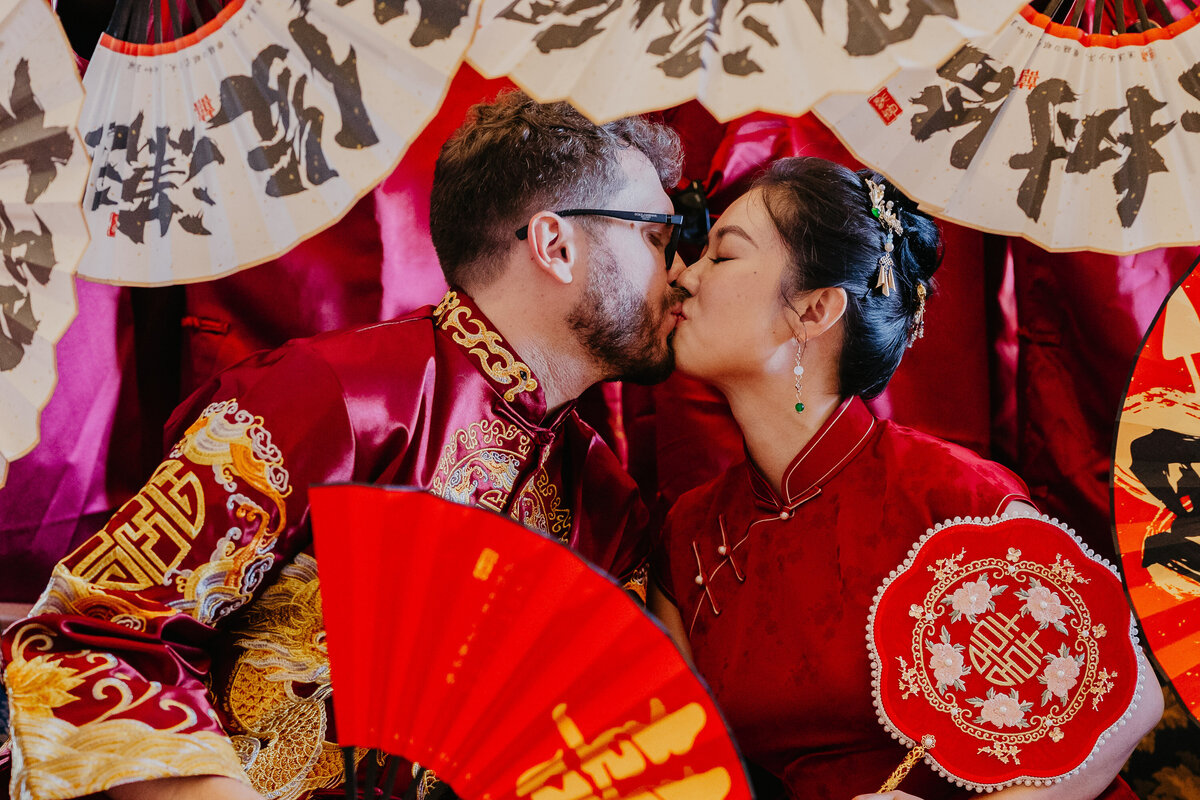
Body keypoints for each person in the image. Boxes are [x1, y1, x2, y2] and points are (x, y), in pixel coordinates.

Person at [0, 92, 686, 800]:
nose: (682, 273)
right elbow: (97, 633)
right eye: (658, 236)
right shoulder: (332, 398)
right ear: (556, 244)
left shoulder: (605, 505)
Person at [648, 157, 1162, 800]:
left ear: (813, 312)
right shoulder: (690, 535)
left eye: (721, 256)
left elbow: (1131, 696)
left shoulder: (948, 495)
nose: (684, 277)